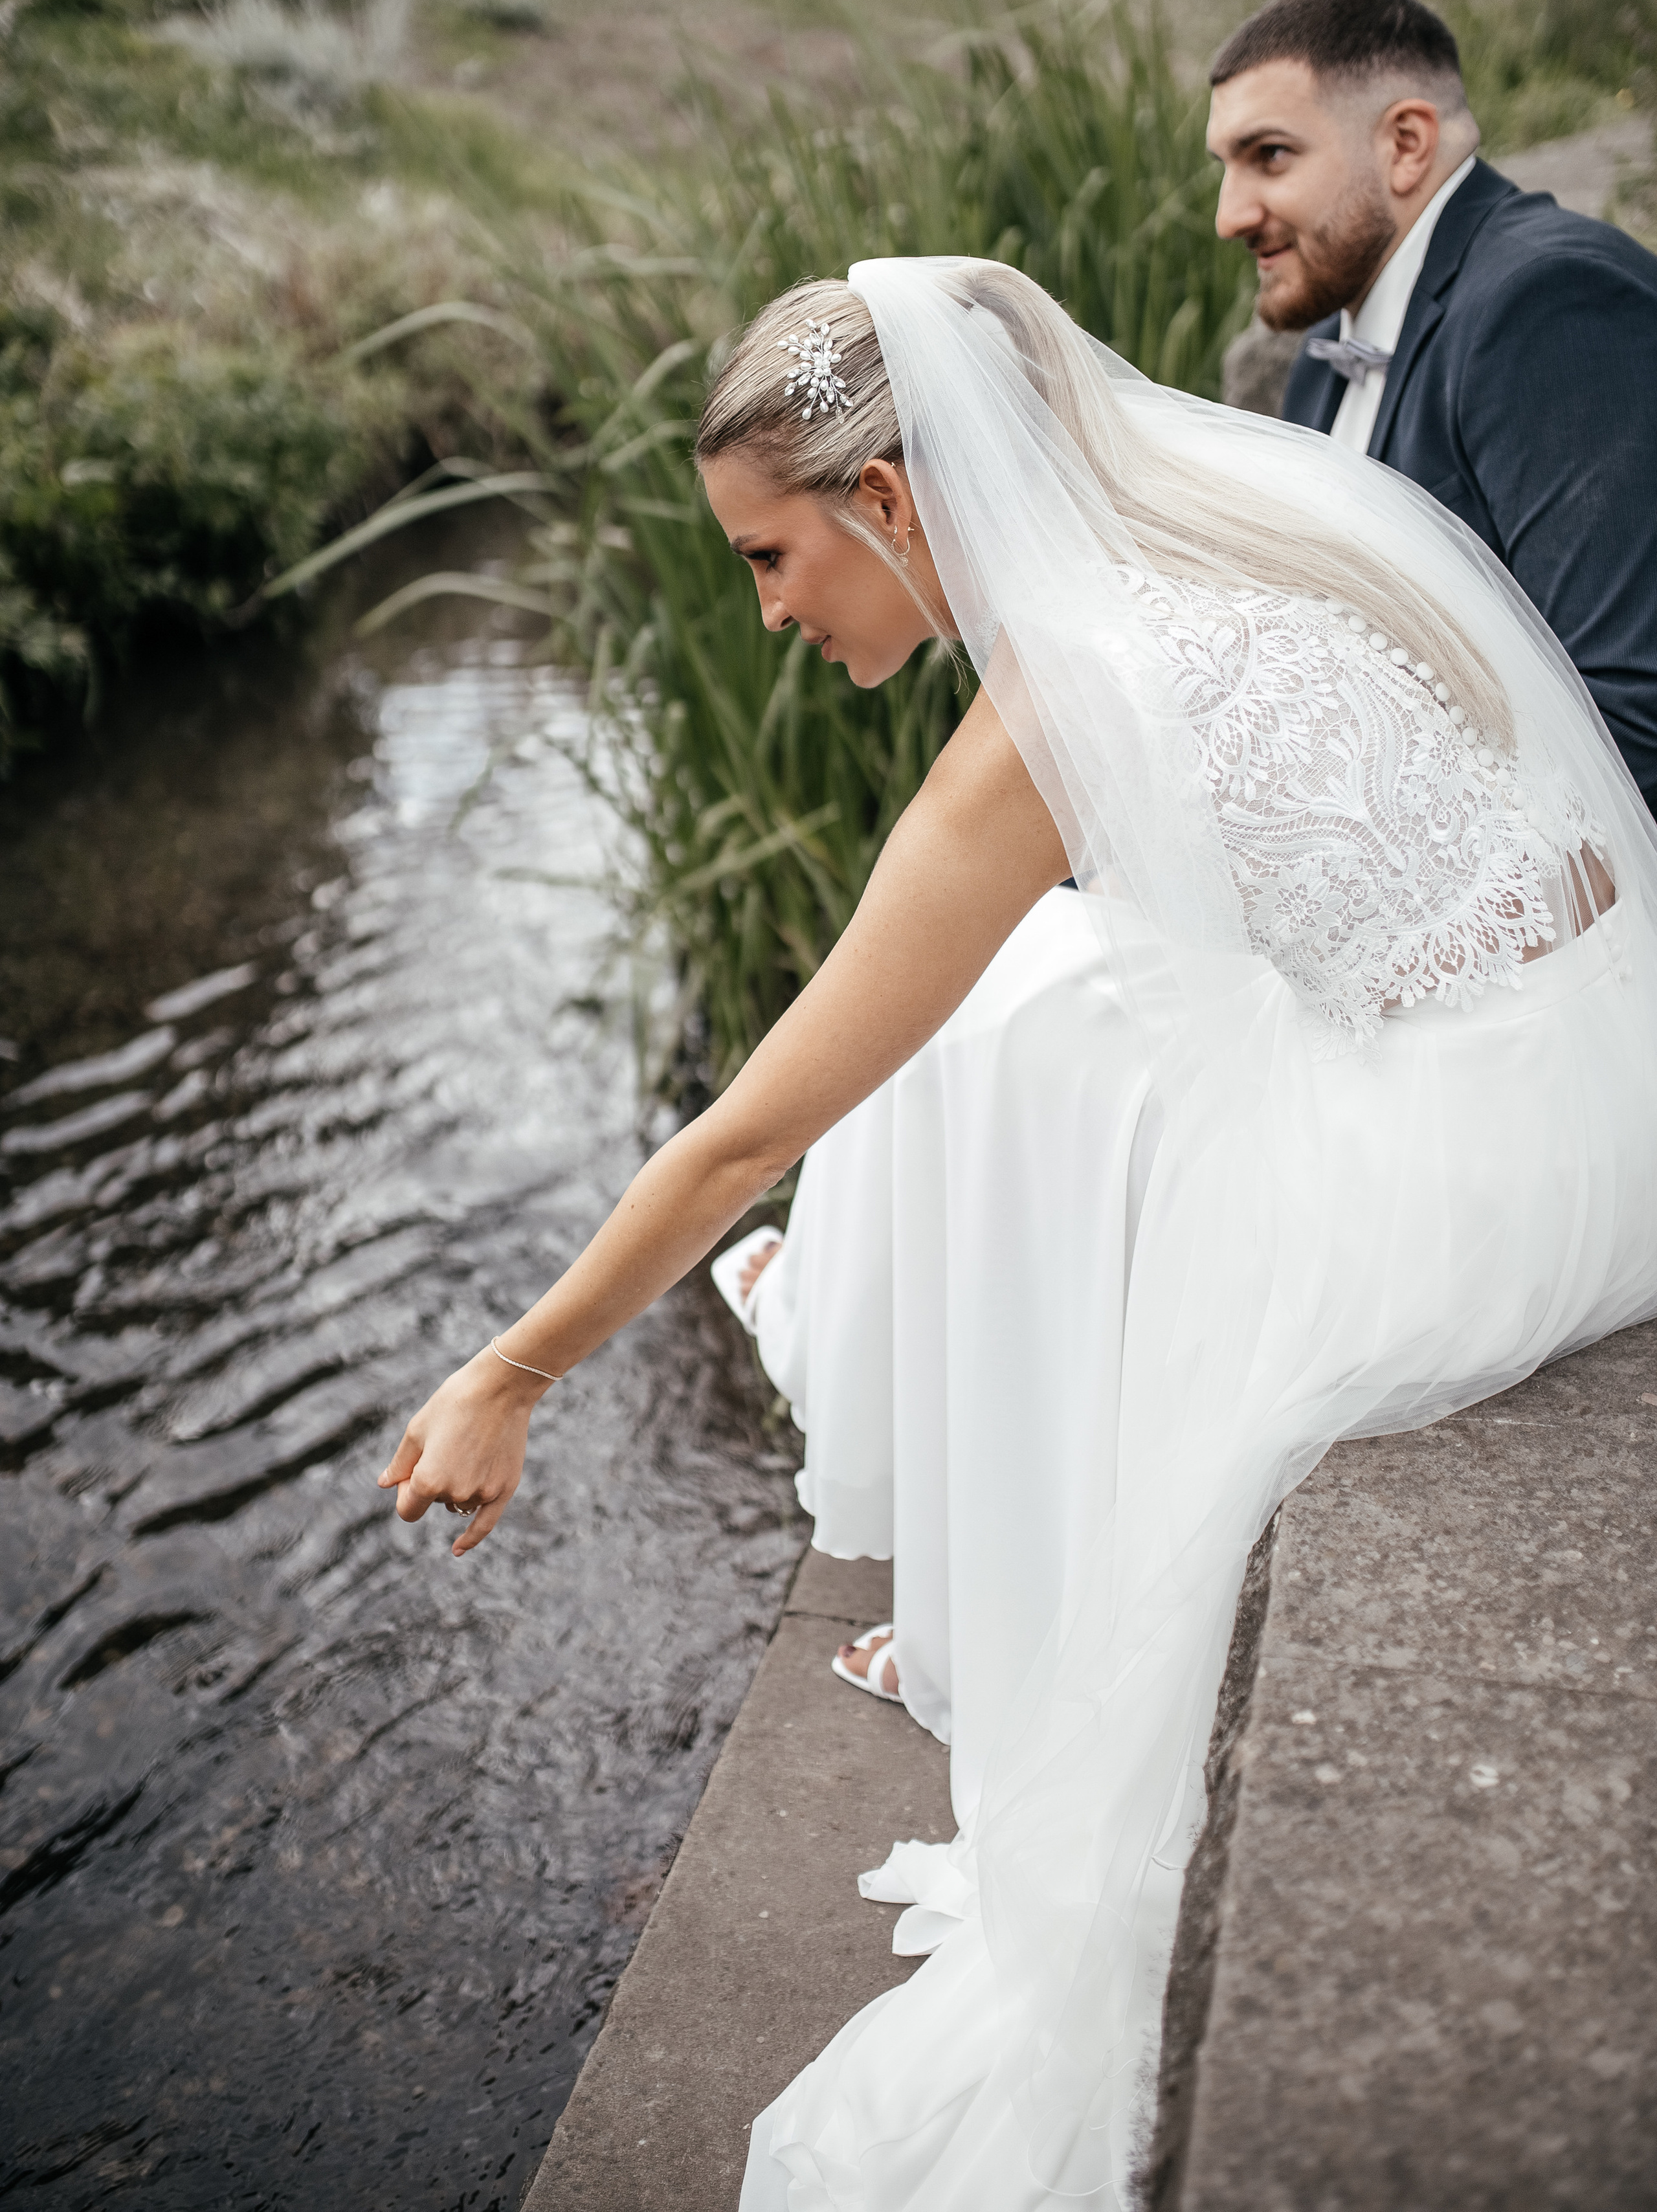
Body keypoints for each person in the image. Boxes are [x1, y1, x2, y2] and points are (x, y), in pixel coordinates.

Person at [379, 258, 1657, 2209]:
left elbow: (747, 1130)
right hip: (1597, 1077)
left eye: (769, 557)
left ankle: (895, 1413)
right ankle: (882, 1378)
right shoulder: (1235, 536)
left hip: (1466, 1178)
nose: (771, 610)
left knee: (998, 1042)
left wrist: (514, 1366)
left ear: (889, 501)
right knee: (1038, 1005)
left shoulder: (1055, 706)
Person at [1206, 0, 1657, 821]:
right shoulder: (1324, 355)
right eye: (1223, 166)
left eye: (1270, 156)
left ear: (1407, 144)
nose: (1230, 214)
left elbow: (1631, 723)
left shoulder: (1550, 303)